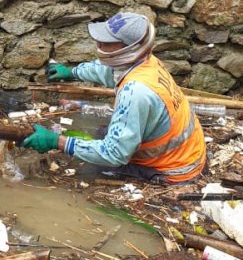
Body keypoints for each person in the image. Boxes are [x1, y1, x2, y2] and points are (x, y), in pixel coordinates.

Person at [21, 12, 206, 184]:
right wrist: (71, 72)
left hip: (175, 169)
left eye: (107, 42)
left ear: (129, 48)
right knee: (102, 133)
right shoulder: (147, 63)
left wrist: (57, 141)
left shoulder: (136, 92)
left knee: (90, 168)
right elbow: (108, 71)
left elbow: (114, 153)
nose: (99, 45)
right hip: (191, 151)